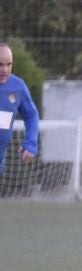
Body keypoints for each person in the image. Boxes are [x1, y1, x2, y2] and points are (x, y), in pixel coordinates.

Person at [0, 42, 39, 176]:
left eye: (9, 64)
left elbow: (31, 115)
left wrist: (30, 143)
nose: (5, 69)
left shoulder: (18, 87)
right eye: (0, 64)